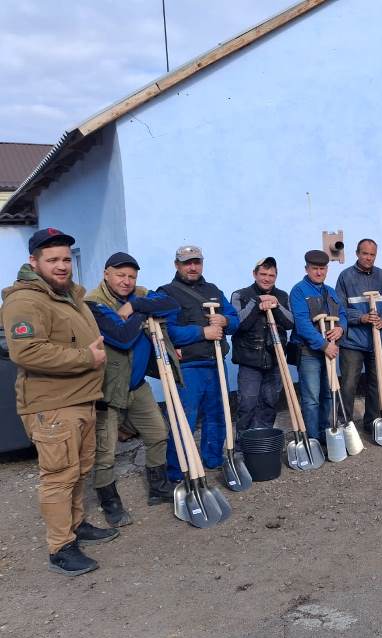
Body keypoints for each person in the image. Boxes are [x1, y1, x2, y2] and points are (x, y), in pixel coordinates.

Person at [1, 228, 118, 576]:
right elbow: (27, 351)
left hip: (80, 399)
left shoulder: (68, 295)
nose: (63, 265)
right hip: (52, 406)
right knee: (58, 477)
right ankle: (60, 547)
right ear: (33, 262)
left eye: (66, 258)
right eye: (53, 259)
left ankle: (76, 524)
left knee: (79, 470)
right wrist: (86, 357)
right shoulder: (25, 301)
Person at [85, 252, 181, 527]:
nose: (127, 282)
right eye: (120, 275)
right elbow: (122, 337)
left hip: (137, 385)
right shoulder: (93, 302)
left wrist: (135, 305)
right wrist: (143, 310)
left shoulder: (139, 293)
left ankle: (158, 487)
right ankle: (110, 501)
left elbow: (172, 305)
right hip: (108, 389)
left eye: (131, 277)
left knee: (158, 433)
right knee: (105, 450)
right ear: (106, 274)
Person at [157, 245, 239, 480]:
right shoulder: (167, 294)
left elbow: (235, 321)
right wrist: (203, 333)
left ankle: (212, 459)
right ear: (177, 265)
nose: (192, 267)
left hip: (215, 364)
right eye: (187, 263)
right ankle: (178, 470)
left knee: (218, 415)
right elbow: (167, 331)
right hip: (188, 368)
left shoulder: (213, 290)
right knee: (185, 418)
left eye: (196, 262)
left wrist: (224, 320)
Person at [335, 239, 382, 428]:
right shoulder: (345, 277)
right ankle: (345, 425)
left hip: (378, 341)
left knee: (377, 384)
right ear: (357, 253)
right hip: (352, 342)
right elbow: (340, 308)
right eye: (365, 253)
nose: (368, 258)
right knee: (348, 386)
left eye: (372, 254)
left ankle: (372, 423)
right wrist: (361, 317)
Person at [230, 257, 294, 435]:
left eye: (271, 275)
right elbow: (237, 324)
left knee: (269, 402)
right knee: (247, 404)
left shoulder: (282, 296)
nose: (267, 278)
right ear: (254, 274)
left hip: (275, 360)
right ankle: (243, 445)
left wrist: (275, 304)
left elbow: (290, 323)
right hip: (250, 360)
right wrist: (256, 302)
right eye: (263, 274)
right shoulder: (240, 295)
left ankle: (264, 443)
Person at [289, 250, 347, 442]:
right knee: (311, 399)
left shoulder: (330, 291)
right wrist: (323, 345)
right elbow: (302, 323)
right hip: (309, 352)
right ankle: (312, 439)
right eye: (315, 269)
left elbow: (343, 314)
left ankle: (326, 434)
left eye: (322, 269)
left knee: (329, 394)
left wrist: (340, 329)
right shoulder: (299, 291)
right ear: (307, 269)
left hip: (329, 351)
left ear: (327, 269)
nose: (319, 272)